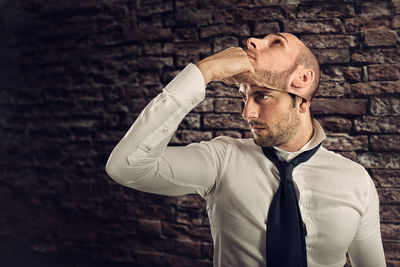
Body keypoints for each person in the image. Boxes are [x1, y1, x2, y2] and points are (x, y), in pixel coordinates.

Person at [105, 32, 386, 267]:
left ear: (302, 83)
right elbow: (126, 167)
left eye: (262, 96)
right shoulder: (221, 159)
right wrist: (204, 72)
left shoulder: (356, 181)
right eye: (244, 97)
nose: (247, 113)